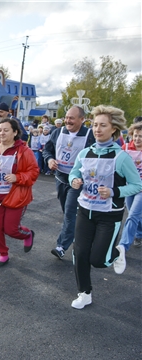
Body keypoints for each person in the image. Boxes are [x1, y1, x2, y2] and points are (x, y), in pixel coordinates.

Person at [68, 105, 142, 309]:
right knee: (80, 254)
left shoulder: (121, 157)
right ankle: (85, 293)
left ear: (114, 129)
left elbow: (138, 185)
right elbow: (74, 173)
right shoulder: (84, 153)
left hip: (109, 215)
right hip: (85, 210)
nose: (97, 129)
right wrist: (75, 180)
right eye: (94, 125)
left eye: (103, 125)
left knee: (99, 260)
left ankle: (118, 253)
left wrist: (114, 192)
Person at [0, 118, 39, 266]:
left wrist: (17, 177)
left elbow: (34, 172)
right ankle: (3, 253)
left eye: (6, 130)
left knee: (11, 229)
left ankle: (27, 234)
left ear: (15, 132)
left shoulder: (24, 151)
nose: (2, 133)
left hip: (15, 196)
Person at [42, 106, 96, 260]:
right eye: (66, 117)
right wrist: (49, 159)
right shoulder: (57, 132)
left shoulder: (90, 135)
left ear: (82, 119)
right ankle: (79, 233)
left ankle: (61, 246)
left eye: (72, 118)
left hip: (77, 182)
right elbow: (47, 150)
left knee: (70, 212)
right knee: (68, 212)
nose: (68, 120)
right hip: (60, 178)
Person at [113, 121, 142, 273]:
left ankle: (123, 245)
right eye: (136, 136)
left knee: (132, 215)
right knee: (133, 214)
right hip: (129, 187)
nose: (138, 139)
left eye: (141, 137)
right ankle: (139, 233)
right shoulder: (125, 149)